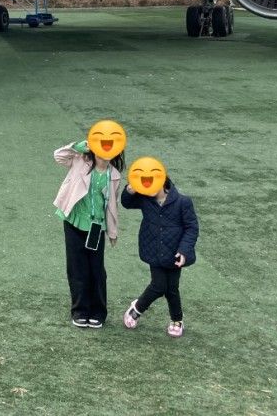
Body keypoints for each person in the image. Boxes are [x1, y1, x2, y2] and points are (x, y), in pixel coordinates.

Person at [53, 139, 124, 329]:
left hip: (96, 227)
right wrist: (77, 147)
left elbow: (111, 206)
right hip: (74, 221)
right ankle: (80, 311)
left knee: (97, 271)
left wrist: (112, 232)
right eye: (102, 146)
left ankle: (98, 311)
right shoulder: (80, 161)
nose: (106, 151)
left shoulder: (114, 175)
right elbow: (58, 156)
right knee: (77, 269)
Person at [121, 174, 199, 337]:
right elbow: (126, 203)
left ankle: (177, 320)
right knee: (159, 285)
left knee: (172, 289)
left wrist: (184, 250)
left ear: (163, 184)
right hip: (154, 250)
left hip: (174, 253)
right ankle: (137, 309)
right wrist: (129, 189)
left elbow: (191, 228)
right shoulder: (145, 199)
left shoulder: (183, 202)